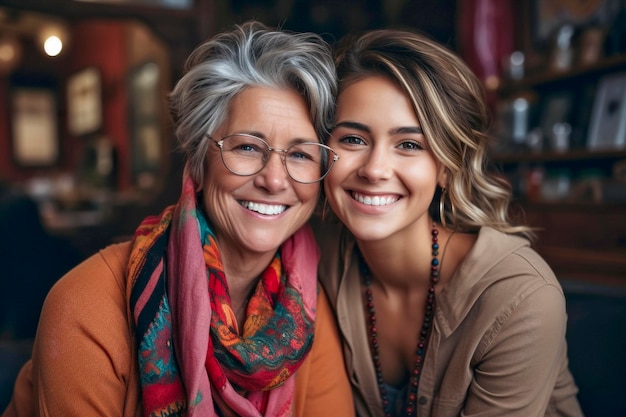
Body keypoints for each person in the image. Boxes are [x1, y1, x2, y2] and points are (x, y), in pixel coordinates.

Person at [2, 21, 355, 417]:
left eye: (301, 154)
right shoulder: (86, 306)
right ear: (199, 161)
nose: (273, 179)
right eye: (247, 147)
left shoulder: (304, 305)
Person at [314, 28, 584, 417]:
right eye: (353, 139)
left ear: (447, 167)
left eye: (409, 145)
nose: (375, 170)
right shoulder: (316, 256)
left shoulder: (519, 298)